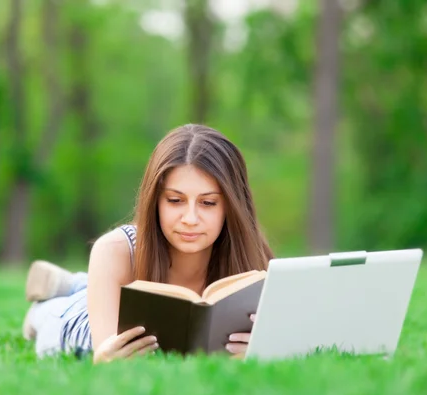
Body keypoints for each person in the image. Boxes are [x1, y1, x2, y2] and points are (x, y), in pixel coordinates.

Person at [22, 123, 274, 363]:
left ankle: (76, 283)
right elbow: (105, 356)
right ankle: (50, 303)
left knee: (93, 288)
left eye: (208, 203)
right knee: (56, 315)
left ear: (232, 206)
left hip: (114, 285)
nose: (190, 219)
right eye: (175, 200)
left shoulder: (251, 254)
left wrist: (262, 345)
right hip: (81, 320)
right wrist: (108, 356)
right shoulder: (114, 250)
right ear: (155, 200)